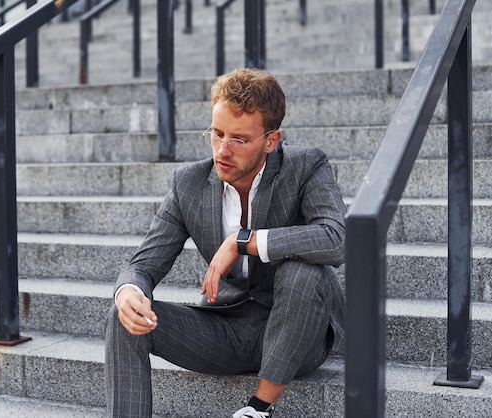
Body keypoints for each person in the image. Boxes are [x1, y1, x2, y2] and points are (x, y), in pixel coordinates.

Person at [105, 68, 347, 417]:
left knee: (303, 272)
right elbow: (144, 264)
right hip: (225, 329)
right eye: (217, 134)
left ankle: (258, 409)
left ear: (271, 140)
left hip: (299, 334)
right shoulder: (188, 183)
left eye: (239, 140)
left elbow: (335, 239)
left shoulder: (305, 166)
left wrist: (243, 240)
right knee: (124, 314)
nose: (223, 150)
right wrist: (129, 290)